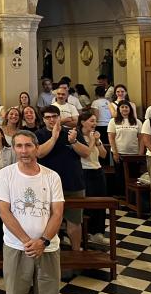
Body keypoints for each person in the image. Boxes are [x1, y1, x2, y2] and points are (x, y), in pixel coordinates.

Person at [0, 130, 64, 294]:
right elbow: (4, 211)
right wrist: (28, 242)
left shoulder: (52, 176)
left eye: (28, 145)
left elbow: (57, 213)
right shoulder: (5, 174)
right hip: (17, 246)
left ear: (37, 148)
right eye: (19, 146)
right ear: (13, 149)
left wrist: (43, 242)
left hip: (48, 247)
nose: (24, 151)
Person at [36, 106, 88, 252]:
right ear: (43, 119)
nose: (51, 120)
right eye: (48, 117)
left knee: (74, 222)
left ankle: (76, 253)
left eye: (54, 116)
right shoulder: (38, 134)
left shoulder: (72, 132)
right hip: (48, 186)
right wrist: (54, 137)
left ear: (59, 117)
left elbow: (86, 153)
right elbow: (39, 153)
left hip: (73, 183)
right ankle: (53, 252)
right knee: (51, 223)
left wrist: (74, 142)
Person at [78, 111, 108, 245]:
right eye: (91, 121)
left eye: (95, 121)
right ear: (83, 122)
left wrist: (97, 141)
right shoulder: (77, 136)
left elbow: (104, 155)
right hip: (85, 172)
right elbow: (86, 154)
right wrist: (91, 141)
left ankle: (99, 232)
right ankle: (87, 232)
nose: (94, 124)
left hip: (98, 171)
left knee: (101, 202)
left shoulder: (94, 136)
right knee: (88, 204)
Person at [107, 100, 142, 196]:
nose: (125, 109)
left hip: (134, 154)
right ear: (119, 109)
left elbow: (141, 139)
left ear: (130, 109)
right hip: (119, 153)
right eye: (122, 107)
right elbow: (111, 137)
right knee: (120, 176)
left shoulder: (137, 121)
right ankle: (121, 197)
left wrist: (140, 153)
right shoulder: (113, 121)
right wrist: (115, 152)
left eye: (127, 107)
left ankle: (133, 198)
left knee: (134, 176)